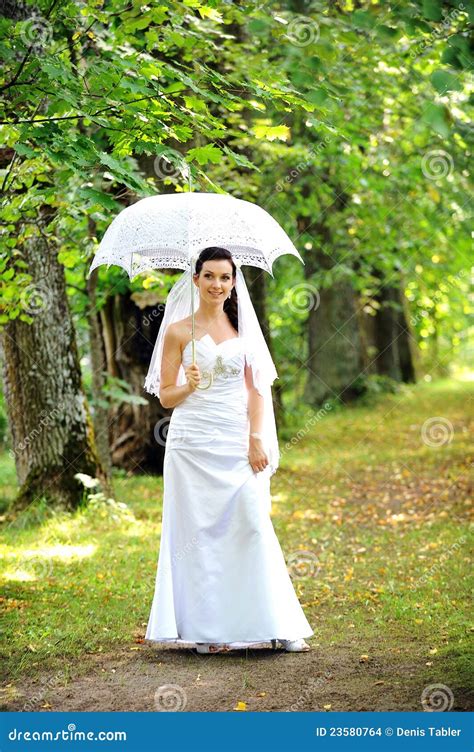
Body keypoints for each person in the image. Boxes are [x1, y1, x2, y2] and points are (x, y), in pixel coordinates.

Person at [144, 247, 313, 653]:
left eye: (225, 277)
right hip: (191, 444)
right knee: (196, 535)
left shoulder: (244, 331)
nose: (217, 284)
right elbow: (166, 397)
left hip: (236, 439)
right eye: (209, 277)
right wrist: (189, 382)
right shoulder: (178, 332)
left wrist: (256, 438)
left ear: (233, 282)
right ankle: (206, 631)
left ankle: (276, 624)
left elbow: (257, 392)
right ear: (196, 280)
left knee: (252, 523)